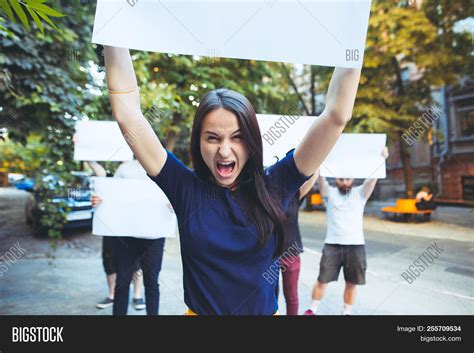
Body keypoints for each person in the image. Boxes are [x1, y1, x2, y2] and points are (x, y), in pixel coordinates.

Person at [104, 45, 361, 315]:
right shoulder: (184, 188)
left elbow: (336, 116)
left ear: (251, 142)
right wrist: (114, 35)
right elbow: (127, 115)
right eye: (212, 138)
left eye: (237, 137)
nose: (224, 151)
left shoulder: (276, 183)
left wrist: (353, 40)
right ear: (198, 142)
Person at [304, 147, 389, 316]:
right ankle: (312, 309)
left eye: (347, 179)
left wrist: (382, 159)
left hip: (355, 246)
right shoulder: (329, 194)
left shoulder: (361, 193)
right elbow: (320, 177)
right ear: (336, 178)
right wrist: (320, 157)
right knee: (322, 280)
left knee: (351, 282)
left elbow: (373, 179)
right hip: (332, 245)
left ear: (353, 180)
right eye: (341, 178)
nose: (344, 181)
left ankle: (347, 312)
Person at [92, 159, 167, 316]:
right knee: (123, 282)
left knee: (152, 283)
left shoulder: (163, 165)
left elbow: (174, 194)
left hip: (154, 236)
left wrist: (174, 204)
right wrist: (99, 200)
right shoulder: (125, 168)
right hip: (127, 236)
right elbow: (110, 195)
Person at [82, 160, 146, 311]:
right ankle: (112, 294)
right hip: (114, 222)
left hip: (137, 222)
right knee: (109, 258)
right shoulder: (123, 168)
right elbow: (109, 189)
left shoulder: (154, 163)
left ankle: (137, 295)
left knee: (136, 261)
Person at [278, 165, 318, 315]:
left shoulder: (295, 194)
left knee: (292, 297)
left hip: (291, 253)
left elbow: (313, 173)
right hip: (269, 254)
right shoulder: (265, 194)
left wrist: (318, 163)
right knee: (269, 296)